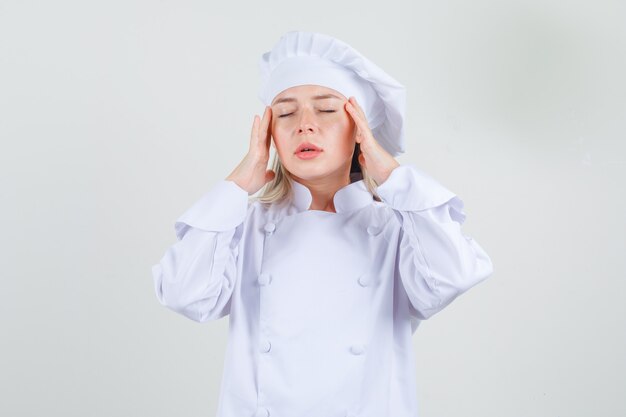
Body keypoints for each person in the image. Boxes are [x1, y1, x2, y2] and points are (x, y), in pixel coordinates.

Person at [152, 31, 494, 417]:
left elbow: (453, 275)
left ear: (360, 131)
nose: (304, 125)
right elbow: (184, 294)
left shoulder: (397, 230)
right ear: (269, 136)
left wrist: (395, 177)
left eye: (328, 110)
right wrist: (235, 186)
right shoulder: (241, 228)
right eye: (284, 113)